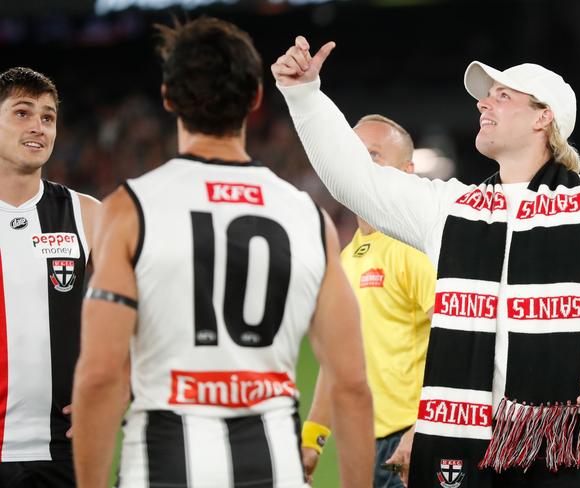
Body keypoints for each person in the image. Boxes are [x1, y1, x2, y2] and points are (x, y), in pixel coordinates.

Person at [272, 36, 580, 488]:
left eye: (501, 96)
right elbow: (355, 181)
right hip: (477, 444)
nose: (483, 105)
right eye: (484, 98)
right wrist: (305, 95)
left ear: (543, 117)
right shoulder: (452, 209)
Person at [71, 18, 374, 488]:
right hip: (272, 466)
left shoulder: (129, 210)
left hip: (164, 466)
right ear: (255, 100)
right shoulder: (305, 216)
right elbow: (352, 383)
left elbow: (100, 376)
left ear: (169, 97)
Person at [301, 114, 436, 487]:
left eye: (374, 155)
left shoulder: (415, 249)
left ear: (408, 171)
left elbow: (457, 344)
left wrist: (424, 429)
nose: (361, 165)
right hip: (360, 441)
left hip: (412, 440)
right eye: (354, 155)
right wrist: (313, 438)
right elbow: (336, 361)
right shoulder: (347, 258)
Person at [0, 67, 100, 487]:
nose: (38, 127)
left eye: (48, 116)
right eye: (22, 113)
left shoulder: (88, 214)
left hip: (62, 450)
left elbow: (149, 312)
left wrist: (120, 383)